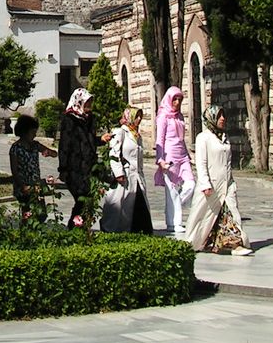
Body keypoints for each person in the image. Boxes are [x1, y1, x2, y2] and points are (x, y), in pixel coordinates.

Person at [186, 105, 253, 256]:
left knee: (231, 215)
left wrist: (232, 183)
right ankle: (198, 242)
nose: (223, 119)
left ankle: (236, 245)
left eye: (223, 115)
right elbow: (201, 164)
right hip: (211, 186)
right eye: (219, 116)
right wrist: (205, 184)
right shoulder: (203, 138)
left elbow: (228, 163)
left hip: (227, 185)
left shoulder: (224, 137)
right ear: (211, 118)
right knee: (205, 218)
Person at [58, 88, 112, 227]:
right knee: (82, 198)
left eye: (90, 103)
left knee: (89, 199)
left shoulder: (88, 119)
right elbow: (64, 145)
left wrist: (101, 139)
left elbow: (88, 140)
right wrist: (63, 168)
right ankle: (74, 227)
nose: (89, 106)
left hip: (88, 165)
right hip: (74, 167)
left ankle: (82, 228)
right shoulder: (69, 119)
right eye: (87, 103)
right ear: (79, 102)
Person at [101, 106, 153, 234]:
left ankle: (139, 231)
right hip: (125, 175)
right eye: (137, 116)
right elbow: (114, 153)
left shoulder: (137, 135)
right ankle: (110, 230)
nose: (139, 119)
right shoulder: (120, 132)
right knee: (118, 204)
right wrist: (119, 173)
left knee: (138, 204)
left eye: (140, 116)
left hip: (137, 176)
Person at [154, 86, 195, 234]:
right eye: (175, 99)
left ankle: (177, 208)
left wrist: (188, 155)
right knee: (171, 191)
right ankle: (174, 223)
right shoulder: (163, 117)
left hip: (182, 156)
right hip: (169, 156)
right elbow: (159, 139)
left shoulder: (180, 117)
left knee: (191, 184)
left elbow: (182, 138)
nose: (177, 102)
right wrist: (160, 160)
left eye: (180, 99)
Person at [9, 115, 57, 221]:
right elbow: (14, 170)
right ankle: (27, 236)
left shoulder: (35, 145)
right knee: (28, 215)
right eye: (32, 132)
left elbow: (54, 154)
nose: (35, 135)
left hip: (36, 186)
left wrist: (49, 152)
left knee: (41, 214)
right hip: (23, 187)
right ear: (25, 131)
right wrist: (23, 186)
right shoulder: (16, 148)